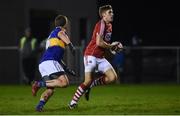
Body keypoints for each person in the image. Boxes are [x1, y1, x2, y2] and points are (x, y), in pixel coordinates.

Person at [68, 5, 123, 109]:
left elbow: (104, 45)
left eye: (112, 12)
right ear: (103, 15)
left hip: (100, 57)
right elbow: (99, 43)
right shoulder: (101, 24)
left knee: (113, 78)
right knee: (87, 81)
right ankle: (72, 103)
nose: (112, 14)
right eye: (110, 12)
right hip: (91, 55)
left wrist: (112, 49)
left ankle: (91, 86)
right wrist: (112, 46)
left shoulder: (110, 26)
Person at [31, 15, 76, 112]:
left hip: (44, 64)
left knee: (50, 89)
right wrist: (71, 45)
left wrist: (67, 69)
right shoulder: (60, 31)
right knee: (64, 83)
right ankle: (38, 84)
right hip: (50, 61)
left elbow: (58, 58)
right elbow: (61, 33)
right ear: (65, 24)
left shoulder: (52, 35)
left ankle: (39, 106)